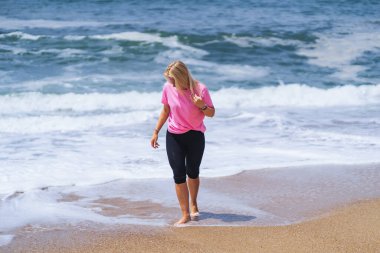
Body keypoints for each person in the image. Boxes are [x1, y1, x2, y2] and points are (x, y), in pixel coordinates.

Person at [150, 60, 215, 226]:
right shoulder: (168, 88)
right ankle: (185, 214)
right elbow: (166, 110)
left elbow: (211, 113)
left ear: (181, 77)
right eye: (168, 79)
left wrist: (202, 105)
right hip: (174, 136)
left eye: (172, 79)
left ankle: (193, 203)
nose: (170, 83)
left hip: (195, 135)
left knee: (192, 172)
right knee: (178, 174)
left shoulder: (201, 89)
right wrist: (156, 131)